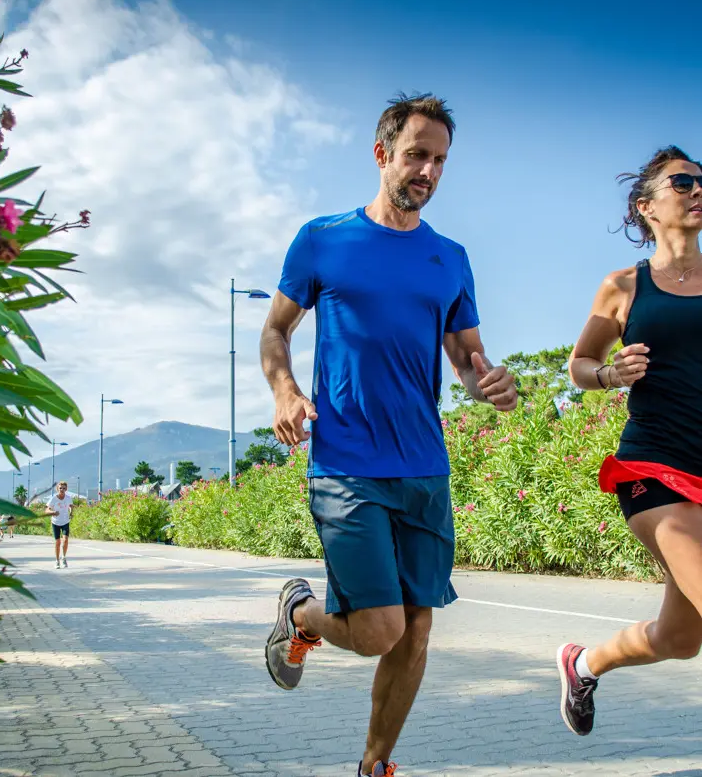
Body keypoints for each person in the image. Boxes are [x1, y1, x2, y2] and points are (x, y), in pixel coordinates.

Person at [260, 93, 518, 777]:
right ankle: (302, 613)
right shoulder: (323, 239)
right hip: (346, 463)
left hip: (424, 468)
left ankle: (375, 765)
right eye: (416, 155)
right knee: (380, 630)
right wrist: (285, 390)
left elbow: (468, 357)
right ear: (382, 155)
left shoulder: (451, 258)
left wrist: (490, 383)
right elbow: (276, 330)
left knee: (418, 628)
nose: (427, 171)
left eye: (439, 160)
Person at [557, 146, 702, 736]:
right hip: (654, 466)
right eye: (683, 181)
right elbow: (580, 364)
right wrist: (610, 374)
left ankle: (584, 664)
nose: (698, 189)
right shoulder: (624, 286)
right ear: (647, 207)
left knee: (680, 639)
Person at [45, 481, 74, 568]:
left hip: (65, 521)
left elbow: (71, 506)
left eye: (64, 488)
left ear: (66, 489)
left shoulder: (68, 498)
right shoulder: (53, 498)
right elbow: (46, 510)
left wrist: (71, 512)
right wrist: (53, 512)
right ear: (57, 489)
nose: (62, 490)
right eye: (60, 488)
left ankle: (64, 558)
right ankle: (57, 561)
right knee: (58, 542)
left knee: (65, 540)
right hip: (55, 522)